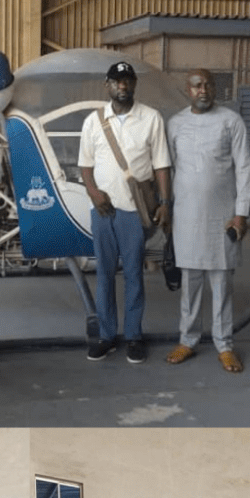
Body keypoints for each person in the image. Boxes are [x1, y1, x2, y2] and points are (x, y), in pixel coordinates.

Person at [78, 61, 172, 364]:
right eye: (117, 81)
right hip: (103, 209)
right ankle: (106, 336)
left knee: (134, 274)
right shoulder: (94, 121)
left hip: (136, 211)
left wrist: (165, 202)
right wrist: (93, 192)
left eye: (127, 81)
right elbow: (85, 165)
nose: (123, 86)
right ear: (107, 85)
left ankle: (133, 336)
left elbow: (161, 165)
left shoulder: (151, 118)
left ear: (134, 84)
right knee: (104, 275)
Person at [165, 69, 250, 373]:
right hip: (186, 216)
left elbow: (243, 168)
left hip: (223, 217)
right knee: (190, 283)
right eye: (197, 86)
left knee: (222, 284)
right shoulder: (175, 124)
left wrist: (241, 213)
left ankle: (224, 345)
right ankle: (187, 340)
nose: (203, 90)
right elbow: (170, 169)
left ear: (215, 89)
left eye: (208, 85)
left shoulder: (231, 121)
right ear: (187, 90)